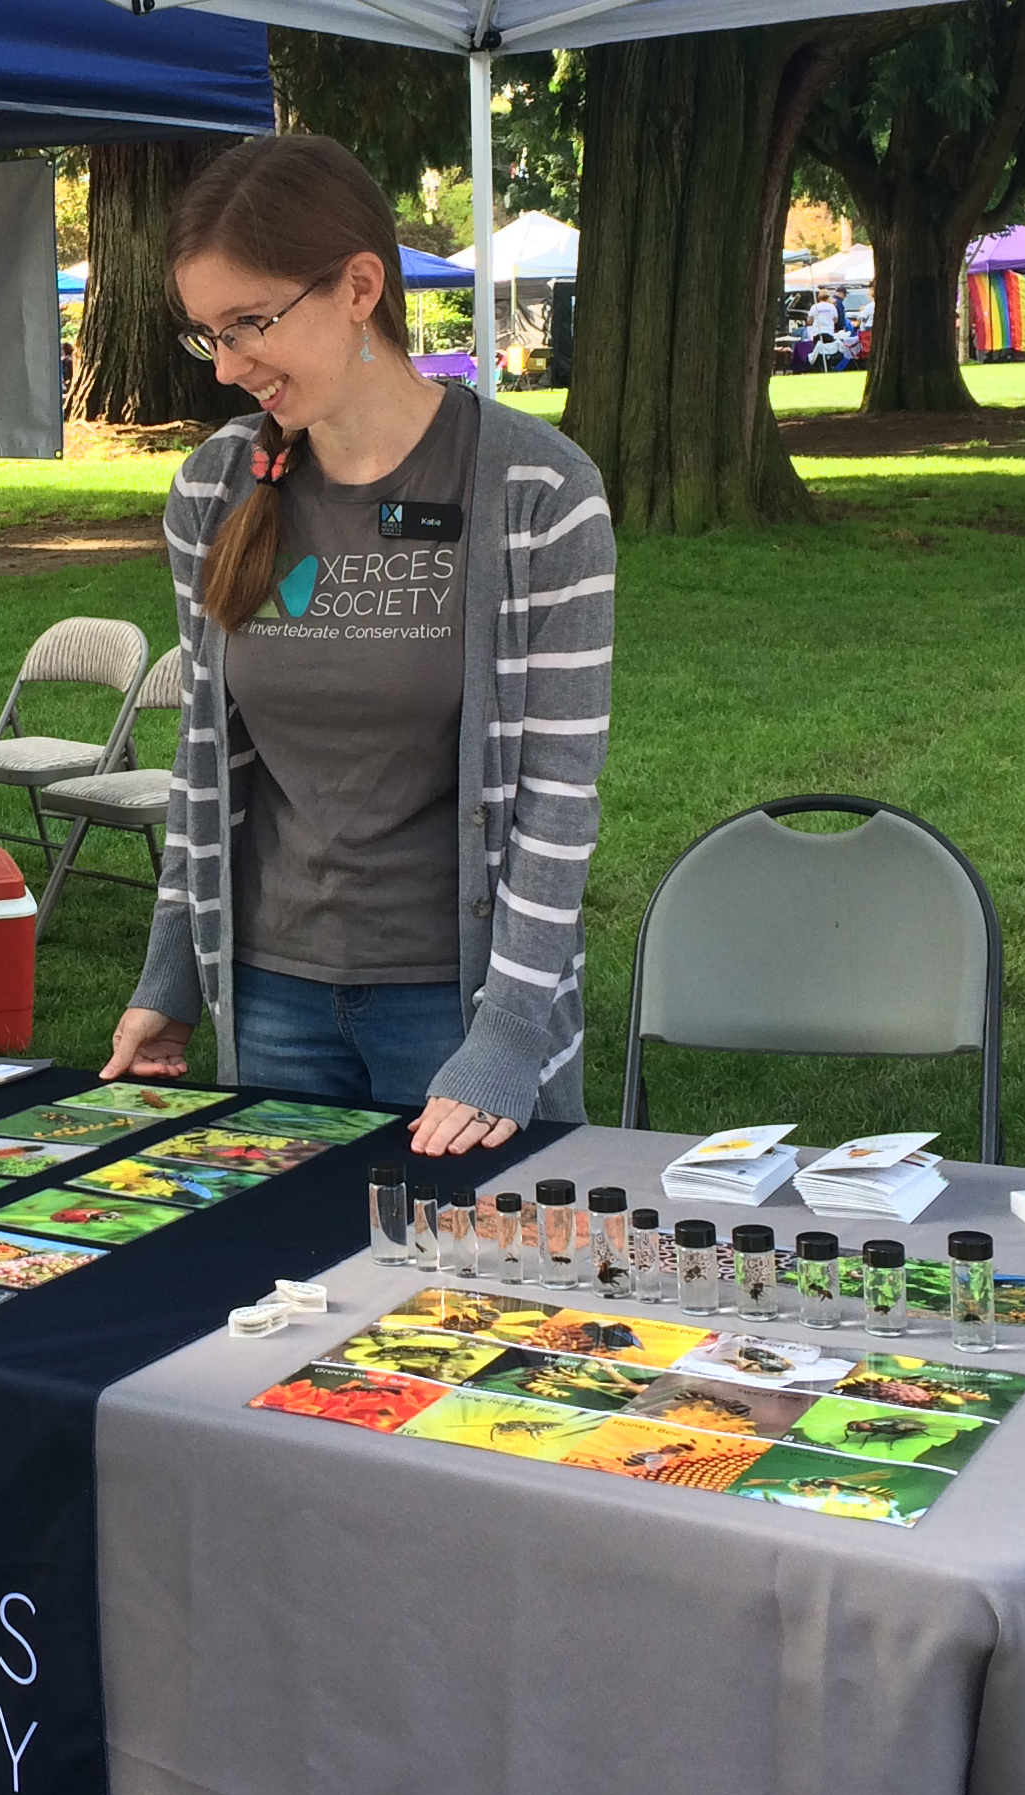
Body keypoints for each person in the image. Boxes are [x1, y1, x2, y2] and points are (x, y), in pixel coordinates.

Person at [103, 135, 614, 1159]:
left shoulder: (536, 495)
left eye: (250, 324)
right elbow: (205, 764)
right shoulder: (213, 491)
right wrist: (172, 977)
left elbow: (557, 800)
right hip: (270, 994)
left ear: (358, 287)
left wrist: (509, 1035)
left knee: (479, 1306)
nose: (233, 366)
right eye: (209, 335)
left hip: (458, 1001)